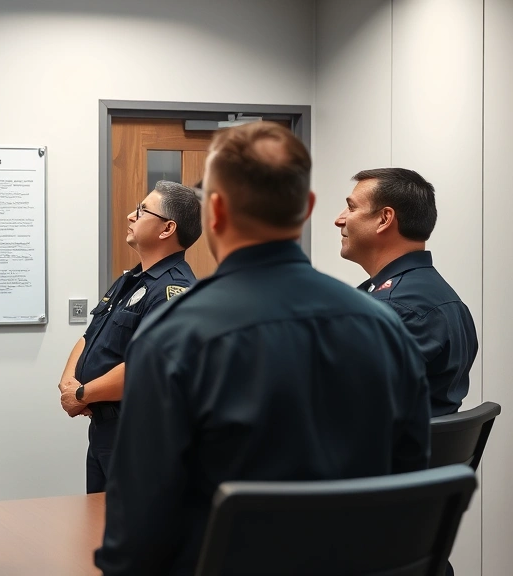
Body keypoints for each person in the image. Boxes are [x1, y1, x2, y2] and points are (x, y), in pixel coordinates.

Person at [94, 122, 431, 575]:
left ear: (213, 212)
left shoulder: (172, 338)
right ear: (307, 208)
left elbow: (137, 531)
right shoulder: (383, 326)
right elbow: (411, 484)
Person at [58, 180, 201, 494]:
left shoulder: (174, 290)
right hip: (104, 430)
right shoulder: (131, 280)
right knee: (97, 527)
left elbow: (148, 367)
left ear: (167, 229)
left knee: (133, 535)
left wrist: (82, 395)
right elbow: (89, 335)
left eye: (142, 210)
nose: (130, 216)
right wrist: (70, 382)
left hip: (139, 434)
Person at [335, 168, 478, 416]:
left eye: (351, 208)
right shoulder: (438, 295)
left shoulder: (396, 308)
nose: (340, 219)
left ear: (384, 219)